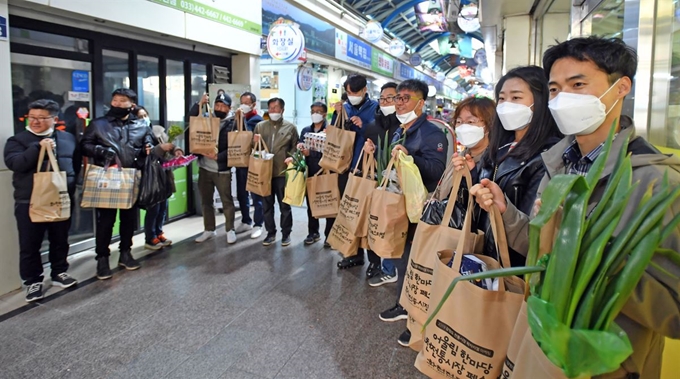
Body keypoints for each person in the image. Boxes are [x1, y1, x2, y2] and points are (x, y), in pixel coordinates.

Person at [472, 37, 680, 378]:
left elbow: (673, 308)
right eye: (554, 89)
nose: (562, 98)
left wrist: (586, 246)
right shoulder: (561, 165)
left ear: (621, 87)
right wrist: (505, 210)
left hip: (610, 366)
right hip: (543, 348)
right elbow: (543, 250)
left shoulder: (656, 183)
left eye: (578, 84)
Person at [454, 66, 562, 267]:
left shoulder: (548, 156)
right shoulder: (500, 148)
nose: (505, 105)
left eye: (516, 98)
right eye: (502, 98)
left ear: (539, 101)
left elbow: (534, 231)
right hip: (486, 254)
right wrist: (472, 174)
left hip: (512, 265)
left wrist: (501, 206)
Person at [371, 79, 448, 347]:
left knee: (417, 262)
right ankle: (404, 305)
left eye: (405, 98)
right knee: (404, 258)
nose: (400, 103)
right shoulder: (400, 130)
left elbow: (437, 172)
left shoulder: (432, 133)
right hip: (401, 204)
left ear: (421, 102)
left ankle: (414, 315)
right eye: (397, 98)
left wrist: (410, 157)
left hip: (420, 209)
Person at [4, 99, 80, 302]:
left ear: (55, 119)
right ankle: (32, 281)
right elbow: (15, 164)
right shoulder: (17, 140)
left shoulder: (68, 139)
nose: (35, 122)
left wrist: (71, 186)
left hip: (60, 199)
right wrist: (37, 147)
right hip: (28, 201)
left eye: (41, 118)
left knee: (60, 239)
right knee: (30, 244)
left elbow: (75, 164)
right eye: (32, 117)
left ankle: (59, 272)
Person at [81, 88, 154, 280]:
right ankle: (102, 258)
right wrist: (101, 151)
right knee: (106, 221)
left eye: (123, 101)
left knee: (129, 219)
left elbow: (149, 143)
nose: (118, 104)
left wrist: (149, 148)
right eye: (115, 100)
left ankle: (125, 253)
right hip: (108, 179)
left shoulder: (141, 125)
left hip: (131, 178)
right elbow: (84, 145)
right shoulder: (98, 124)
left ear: (132, 105)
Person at [331, 74, 379, 269]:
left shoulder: (375, 108)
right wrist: (337, 115)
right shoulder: (345, 106)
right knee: (348, 212)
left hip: (366, 167)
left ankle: (374, 261)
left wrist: (364, 126)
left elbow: (379, 135)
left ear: (365, 90)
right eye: (349, 92)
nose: (352, 96)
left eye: (356, 92)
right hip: (345, 167)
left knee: (368, 214)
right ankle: (352, 253)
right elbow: (336, 132)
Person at [360, 82, 402, 278]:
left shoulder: (404, 126)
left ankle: (393, 266)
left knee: (392, 224)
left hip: (397, 185)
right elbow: (366, 153)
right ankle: (375, 262)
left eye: (390, 98)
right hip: (376, 182)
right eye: (382, 98)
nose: (385, 102)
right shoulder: (372, 126)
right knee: (374, 222)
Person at [189, 93, 237, 245]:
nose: (219, 108)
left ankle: (230, 230)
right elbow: (191, 119)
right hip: (204, 167)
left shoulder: (234, 122)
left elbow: (238, 146)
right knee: (206, 201)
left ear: (229, 108)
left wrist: (219, 157)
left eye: (223, 106)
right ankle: (209, 229)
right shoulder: (206, 117)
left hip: (222, 169)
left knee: (226, 201)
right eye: (217, 105)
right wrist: (200, 103)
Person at [134, 106, 183, 250]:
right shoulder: (137, 134)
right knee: (153, 208)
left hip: (163, 174)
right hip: (150, 177)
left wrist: (176, 150)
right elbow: (145, 155)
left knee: (163, 207)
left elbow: (169, 146)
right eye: (139, 116)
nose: (143, 119)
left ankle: (159, 232)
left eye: (144, 115)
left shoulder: (157, 131)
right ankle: (150, 237)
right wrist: (160, 149)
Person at [253, 98, 299, 246]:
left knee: (284, 205)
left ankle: (286, 234)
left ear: (282, 110)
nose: (273, 111)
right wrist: (254, 142)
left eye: (276, 108)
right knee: (267, 205)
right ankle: (270, 233)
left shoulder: (290, 128)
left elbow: (294, 148)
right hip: (265, 173)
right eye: (270, 108)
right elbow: (254, 149)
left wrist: (291, 159)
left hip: (282, 172)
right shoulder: (260, 127)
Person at [293, 102, 328, 245]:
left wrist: (311, 152)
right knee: (311, 204)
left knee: (328, 202)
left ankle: (329, 236)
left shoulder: (329, 130)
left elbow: (331, 152)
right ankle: (313, 232)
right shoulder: (306, 130)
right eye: (313, 111)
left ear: (325, 114)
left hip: (325, 171)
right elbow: (301, 145)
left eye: (319, 111)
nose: (315, 114)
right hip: (310, 171)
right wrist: (300, 147)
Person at [234, 92, 265, 239]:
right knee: (241, 193)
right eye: (242, 102)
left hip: (254, 163)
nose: (244, 105)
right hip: (241, 162)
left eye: (247, 103)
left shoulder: (257, 121)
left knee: (256, 195)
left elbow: (249, 137)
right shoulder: (238, 119)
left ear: (253, 104)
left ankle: (258, 224)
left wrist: (241, 120)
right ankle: (246, 220)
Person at [452, 96, 495, 164]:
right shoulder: (458, 159)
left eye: (470, 122)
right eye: (459, 121)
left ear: (489, 124)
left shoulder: (496, 163)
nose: (463, 127)